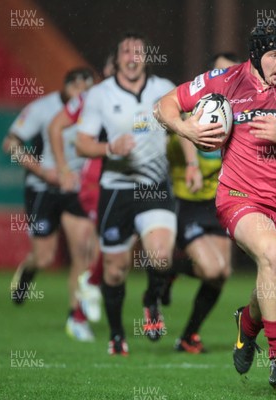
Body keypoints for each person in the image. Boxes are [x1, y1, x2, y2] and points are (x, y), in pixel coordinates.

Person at [154, 26, 276, 388]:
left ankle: (247, 324)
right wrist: (186, 129)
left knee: (273, 283)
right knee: (270, 253)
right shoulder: (225, 80)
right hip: (240, 196)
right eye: (273, 55)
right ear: (254, 55)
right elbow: (164, 105)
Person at [75, 32, 177, 355]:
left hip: (155, 186)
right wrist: (108, 147)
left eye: (138, 52)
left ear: (146, 57)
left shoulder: (164, 89)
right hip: (117, 190)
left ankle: (151, 299)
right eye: (126, 52)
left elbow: (183, 125)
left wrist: (189, 160)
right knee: (115, 269)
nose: (132, 58)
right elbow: (81, 142)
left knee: (160, 257)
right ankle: (117, 334)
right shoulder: (100, 95)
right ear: (116, 58)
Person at [154, 52, 240, 353]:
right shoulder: (197, 102)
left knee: (220, 274)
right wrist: (191, 164)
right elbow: (177, 130)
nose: (223, 78)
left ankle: (189, 335)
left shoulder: (240, 111)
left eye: (230, 72)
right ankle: (166, 270)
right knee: (212, 269)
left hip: (219, 203)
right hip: (187, 202)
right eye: (218, 72)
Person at [4, 68, 96, 342]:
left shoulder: (94, 110)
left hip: (75, 189)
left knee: (83, 251)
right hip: (43, 187)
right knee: (45, 257)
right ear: (66, 86)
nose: (81, 91)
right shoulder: (43, 108)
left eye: (86, 87)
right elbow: (10, 143)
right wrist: (43, 171)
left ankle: (75, 316)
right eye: (77, 85)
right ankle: (28, 270)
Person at [47, 53, 116, 323]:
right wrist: (64, 169)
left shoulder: (144, 96)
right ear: (108, 68)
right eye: (115, 64)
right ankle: (76, 314)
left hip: (129, 182)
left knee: (111, 248)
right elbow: (56, 126)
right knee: (86, 248)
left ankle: (88, 301)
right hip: (94, 180)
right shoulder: (92, 97)